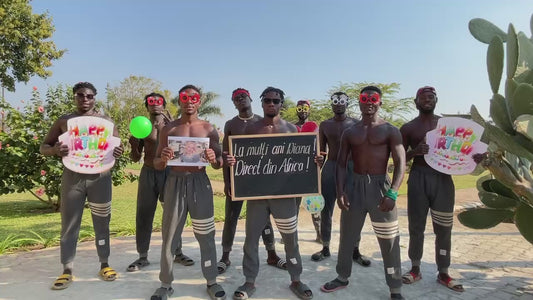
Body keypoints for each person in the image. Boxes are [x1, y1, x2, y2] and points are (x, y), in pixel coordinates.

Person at [226, 87, 319, 300]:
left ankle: (296, 279)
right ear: (261, 103)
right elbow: (242, 158)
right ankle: (249, 281)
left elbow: (301, 160)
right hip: (257, 196)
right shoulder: (250, 130)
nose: (271, 104)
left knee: (290, 239)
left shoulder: (291, 130)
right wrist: (232, 162)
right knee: (251, 240)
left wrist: (315, 162)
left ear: (281, 104)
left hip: (284, 196)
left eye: (275, 101)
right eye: (267, 100)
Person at [321, 86, 405, 300]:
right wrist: (341, 191)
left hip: (380, 187)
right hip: (354, 186)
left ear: (380, 102)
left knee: (389, 238)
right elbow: (340, 164)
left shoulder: (390, 130)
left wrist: (393, 193)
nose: (369, 102)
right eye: (364, 98)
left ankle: (395, 287)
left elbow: (400, 162)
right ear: (358, 102)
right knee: (347, 235)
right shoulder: (351, 132)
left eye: (373, 98)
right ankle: (342, 277)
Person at [40, 82, 124, 290]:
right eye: (80, 96)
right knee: (69, 224)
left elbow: (115, 146)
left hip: (100, 178)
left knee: (102, 222)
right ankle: (67, 269)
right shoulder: (65, 121)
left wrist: (118, 152)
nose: (85, 100)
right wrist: (55, 150)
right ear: (75, 97)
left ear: (95, 98)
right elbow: (44, 146)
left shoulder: (106, 122)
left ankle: (104, 264)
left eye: (89, 96)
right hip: (73, 178)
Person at [151, 85, 225, 300]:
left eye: (194, 97)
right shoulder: (169, 129)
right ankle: (165, 284)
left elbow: (219, 162)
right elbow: (156, 163)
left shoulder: (209, 129)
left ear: (199, 101)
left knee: (206, 234)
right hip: (174, 182)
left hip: (200, 183)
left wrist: (214, 158)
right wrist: (163, 158)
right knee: (170, 236)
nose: (189, 101)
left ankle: (211, 280)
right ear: (179, 101)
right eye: (185, 97)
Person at [399, 86, 464, 292]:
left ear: (436, 100)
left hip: (443, 179)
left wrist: (475, 158)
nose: (427, 100)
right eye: (423, 97)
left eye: (431, 97)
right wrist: (416, 152)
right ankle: (415, 268)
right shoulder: (408, 128)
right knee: (416, 226)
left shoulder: (447, 126)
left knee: (444, 228)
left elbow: (463, 153)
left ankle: (443, 271)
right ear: (416, 102)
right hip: (419, 178)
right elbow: (398, 157)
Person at [217, 88, 286, 275]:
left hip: (259, 179)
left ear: (250, 99)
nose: (240, 100)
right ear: (234, 103)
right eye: (236, 99)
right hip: (238, 179)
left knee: (264, 219)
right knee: (231, 217)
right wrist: (227, 182)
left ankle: (271, 253)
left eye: (243, 97)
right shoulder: (231, 124)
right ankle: (225, 255)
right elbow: (226, 154)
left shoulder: (261, 121)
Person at [127, 93, 194, 272]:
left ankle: (177, 252)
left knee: (173, 214)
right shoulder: (142, 126)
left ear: (163, 105)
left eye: (158, 101)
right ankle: (142, 256)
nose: (155, 104)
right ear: (147, 105)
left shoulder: (171, 125)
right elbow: (134, 158)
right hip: (148, 173)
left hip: (169, 173)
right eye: (151, 101)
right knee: (144, 213)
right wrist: (133, 145)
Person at [311, 93, 370, 267]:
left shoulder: (355, 124)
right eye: (335, 101)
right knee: (326, 209)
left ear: (347, 103)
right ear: (331, 104)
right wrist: (319, 160)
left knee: (354, 210)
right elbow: (321, 150)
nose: (338, 104)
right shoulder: (325, 125)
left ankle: (354, 249)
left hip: (351, 168)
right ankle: (325, 247)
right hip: (331, 166)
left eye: (342, 101)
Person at [293, 100, 321, 243]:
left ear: (309, 110)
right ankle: (291, 236)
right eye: (300, 108)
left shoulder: (316, 127)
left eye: (305, 108)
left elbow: (322, 149)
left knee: (314, 204)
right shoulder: (291, 127)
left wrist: (319, 166)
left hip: (311, 171)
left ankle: (319, 234)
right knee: (294, 205)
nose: (302, 111)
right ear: (296, 110)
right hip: (295, 172)